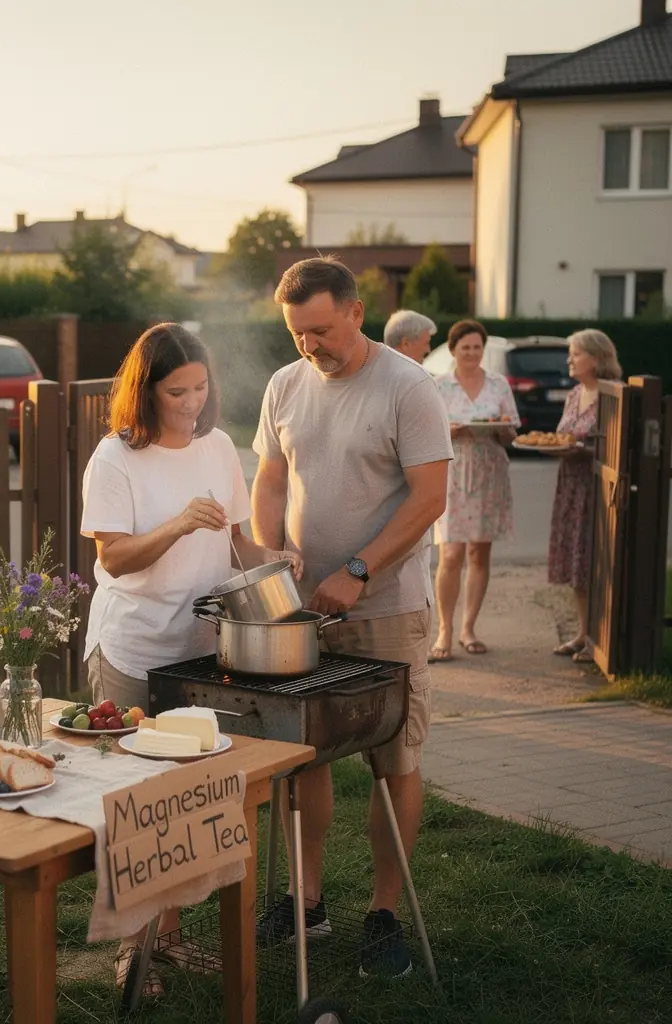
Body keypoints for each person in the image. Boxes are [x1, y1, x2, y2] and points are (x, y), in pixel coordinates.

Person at [80, 321, 300, 997]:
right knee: (133, 802)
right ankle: (132, 953)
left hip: (201, 649)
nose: (192, 403)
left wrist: (280, 561)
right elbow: (111, 556)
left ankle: (168, 938)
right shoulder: (115, 457)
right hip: (134, 646)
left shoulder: (217, 448)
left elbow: (236, 542)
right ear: (145, 393)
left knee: (186, 796)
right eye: (178, 391)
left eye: (201, 388)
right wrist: (177, 523)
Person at [251, 257, 451, 977]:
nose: (311, 347)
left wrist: (359, 570)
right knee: (305, 753)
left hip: (389, 608)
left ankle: (384, 913)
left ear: (357, 313)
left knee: (394, 760)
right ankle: (309, 902)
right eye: (299, 335)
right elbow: (271, 476)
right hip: (305, 609)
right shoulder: (285, 384)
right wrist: (273, 552)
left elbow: (429, 498)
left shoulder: (408, 386)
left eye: (323, 331)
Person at [429, 320, 519, 661]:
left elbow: (512, 432)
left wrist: (500, 428)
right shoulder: (439, 386)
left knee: (479, 554)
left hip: (490, 472)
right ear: (453, 350)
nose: (472, 352)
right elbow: (426, 433)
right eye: (465, 347)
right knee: (450, 555)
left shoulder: (498, 384)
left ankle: (468, 628)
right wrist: (449, 430)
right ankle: (444, 631)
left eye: (477, 347)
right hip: (453, 472)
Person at [549, 329, 622, 663]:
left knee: (599, 561)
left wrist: (583, 447)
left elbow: (619, 446)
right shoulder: (575, 394)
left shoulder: (614, 395)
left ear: (596, 357)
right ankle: (582, 633)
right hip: (571, 484)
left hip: (599, 487)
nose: (570, 359)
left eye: (576, 353)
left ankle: (601, 638)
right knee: (577, 562)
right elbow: (562, 435)